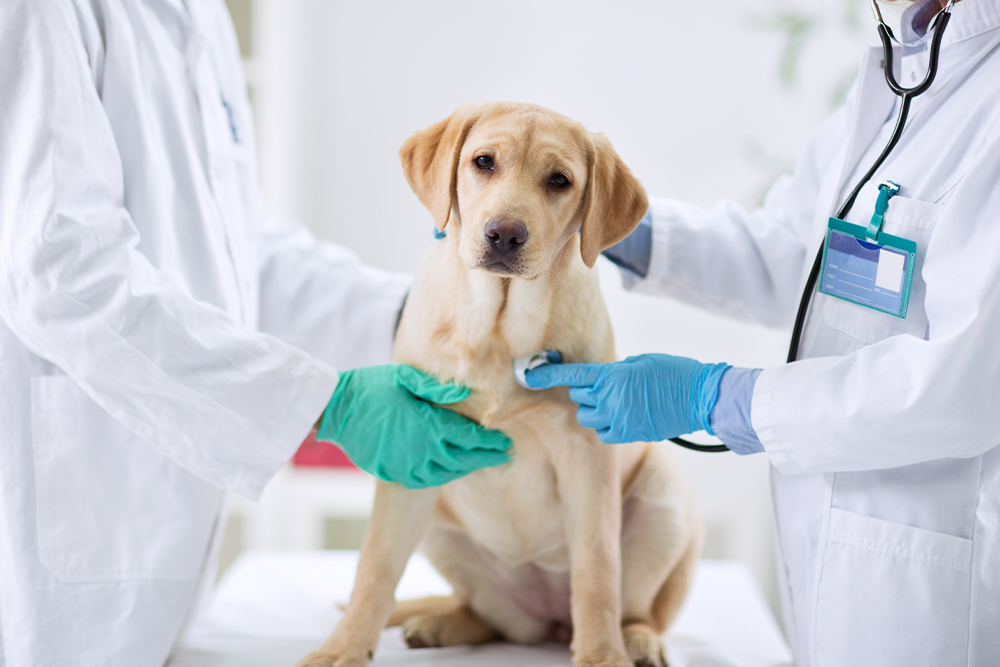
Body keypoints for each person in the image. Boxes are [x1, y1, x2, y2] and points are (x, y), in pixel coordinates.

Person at [0, 2, 509, 665]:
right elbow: (62, 274)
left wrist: (424, 316)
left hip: (162, 550)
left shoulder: (198, 14)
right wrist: (327, 403)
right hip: (68, 545)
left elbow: (242, 254)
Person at [527, 0, 1000, 665]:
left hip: (929, 581)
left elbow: (964, 386)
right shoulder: (911, 71)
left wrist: (722, 398)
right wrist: (606, 222)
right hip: (839, 557)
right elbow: (791, 251)